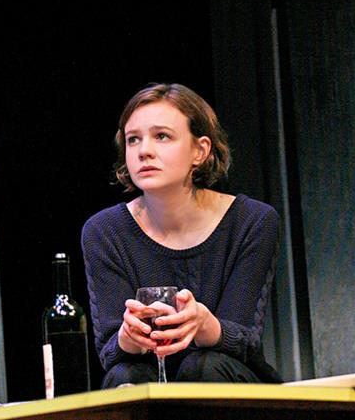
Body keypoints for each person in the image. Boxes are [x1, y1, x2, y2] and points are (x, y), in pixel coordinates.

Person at [81, 83, 282, 387]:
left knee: (205, 366)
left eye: (162, 136)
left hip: (226, 380)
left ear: (200, 150)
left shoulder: (252, 221)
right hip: (148, 376)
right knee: (126, 375)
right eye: (133, 139)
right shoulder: (104, 231)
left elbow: (245, 341)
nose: (144, 151)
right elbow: (110, 353)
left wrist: (203, 324)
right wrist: (129, 336)